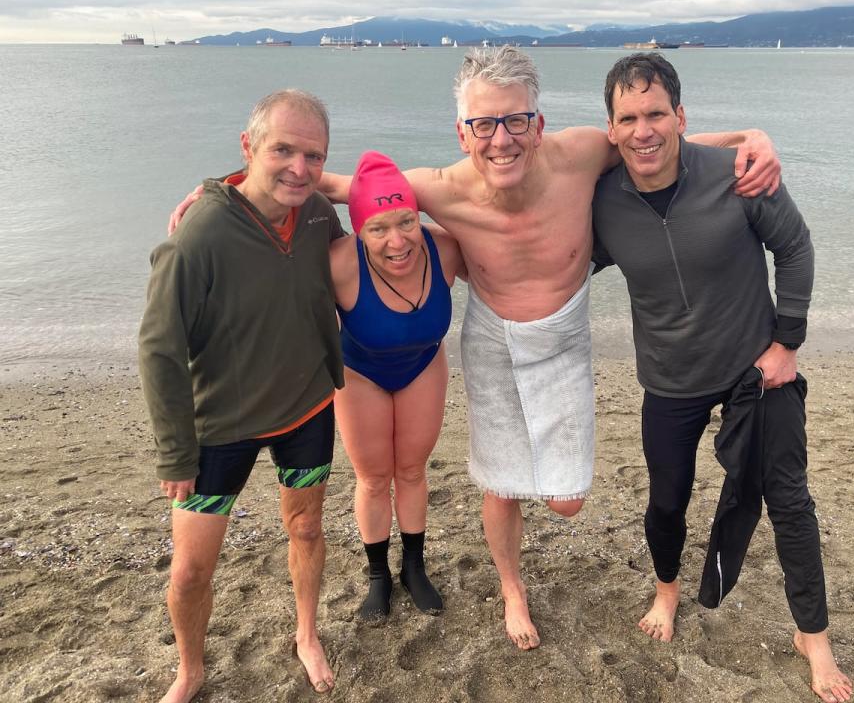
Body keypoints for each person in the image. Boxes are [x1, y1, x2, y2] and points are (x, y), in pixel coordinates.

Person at [169, 45, 781, 651]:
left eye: (516, 120)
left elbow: (657, 142)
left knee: (567, 502)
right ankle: (511, 589)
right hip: (491, 337)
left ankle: (505, 555)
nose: (501, 139)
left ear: (538, 125)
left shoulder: (583, 154)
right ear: (462, 133)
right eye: (483, 123)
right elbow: (333, 183)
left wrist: (751, 136)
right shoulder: (439, 189)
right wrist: (226, 189)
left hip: (563, 336)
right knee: (500, 483)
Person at [591, 53, 853, 703]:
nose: (645, 130)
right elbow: (548, 254)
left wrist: (786, 343)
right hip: (671, 379)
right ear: (612, 129)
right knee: (666, 502)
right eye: (630, 118)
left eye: (657, 114)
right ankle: (667, 591)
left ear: (680, 117)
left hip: (754, 368)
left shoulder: (737, 174)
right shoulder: (603, 202)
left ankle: (813, 637)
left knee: (789, 500)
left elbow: (794, 246)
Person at [139, 89, 345, 702]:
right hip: (218, 424)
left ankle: (307, 633)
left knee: (306, 530)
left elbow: (384, 211)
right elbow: (158, 348)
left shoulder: (317, 217)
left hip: (306, 407)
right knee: (191, 568)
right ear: (248, 145)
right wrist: (176, 453)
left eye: (314, 155)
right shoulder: (198, 234)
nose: (299, 168)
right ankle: (191, 669)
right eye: (283, 149)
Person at [331, 151, 464, 619]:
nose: (397, 240)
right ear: (358, 230)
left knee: (411, 471)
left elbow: (508, 252)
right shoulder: (338, 265)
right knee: (372, 478)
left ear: (419, 214)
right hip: (359, 373)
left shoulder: (446, 248)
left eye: (406, 221)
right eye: (377, 228)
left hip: (422, 367)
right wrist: (215, 195)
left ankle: (413, 567)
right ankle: (376, 575)